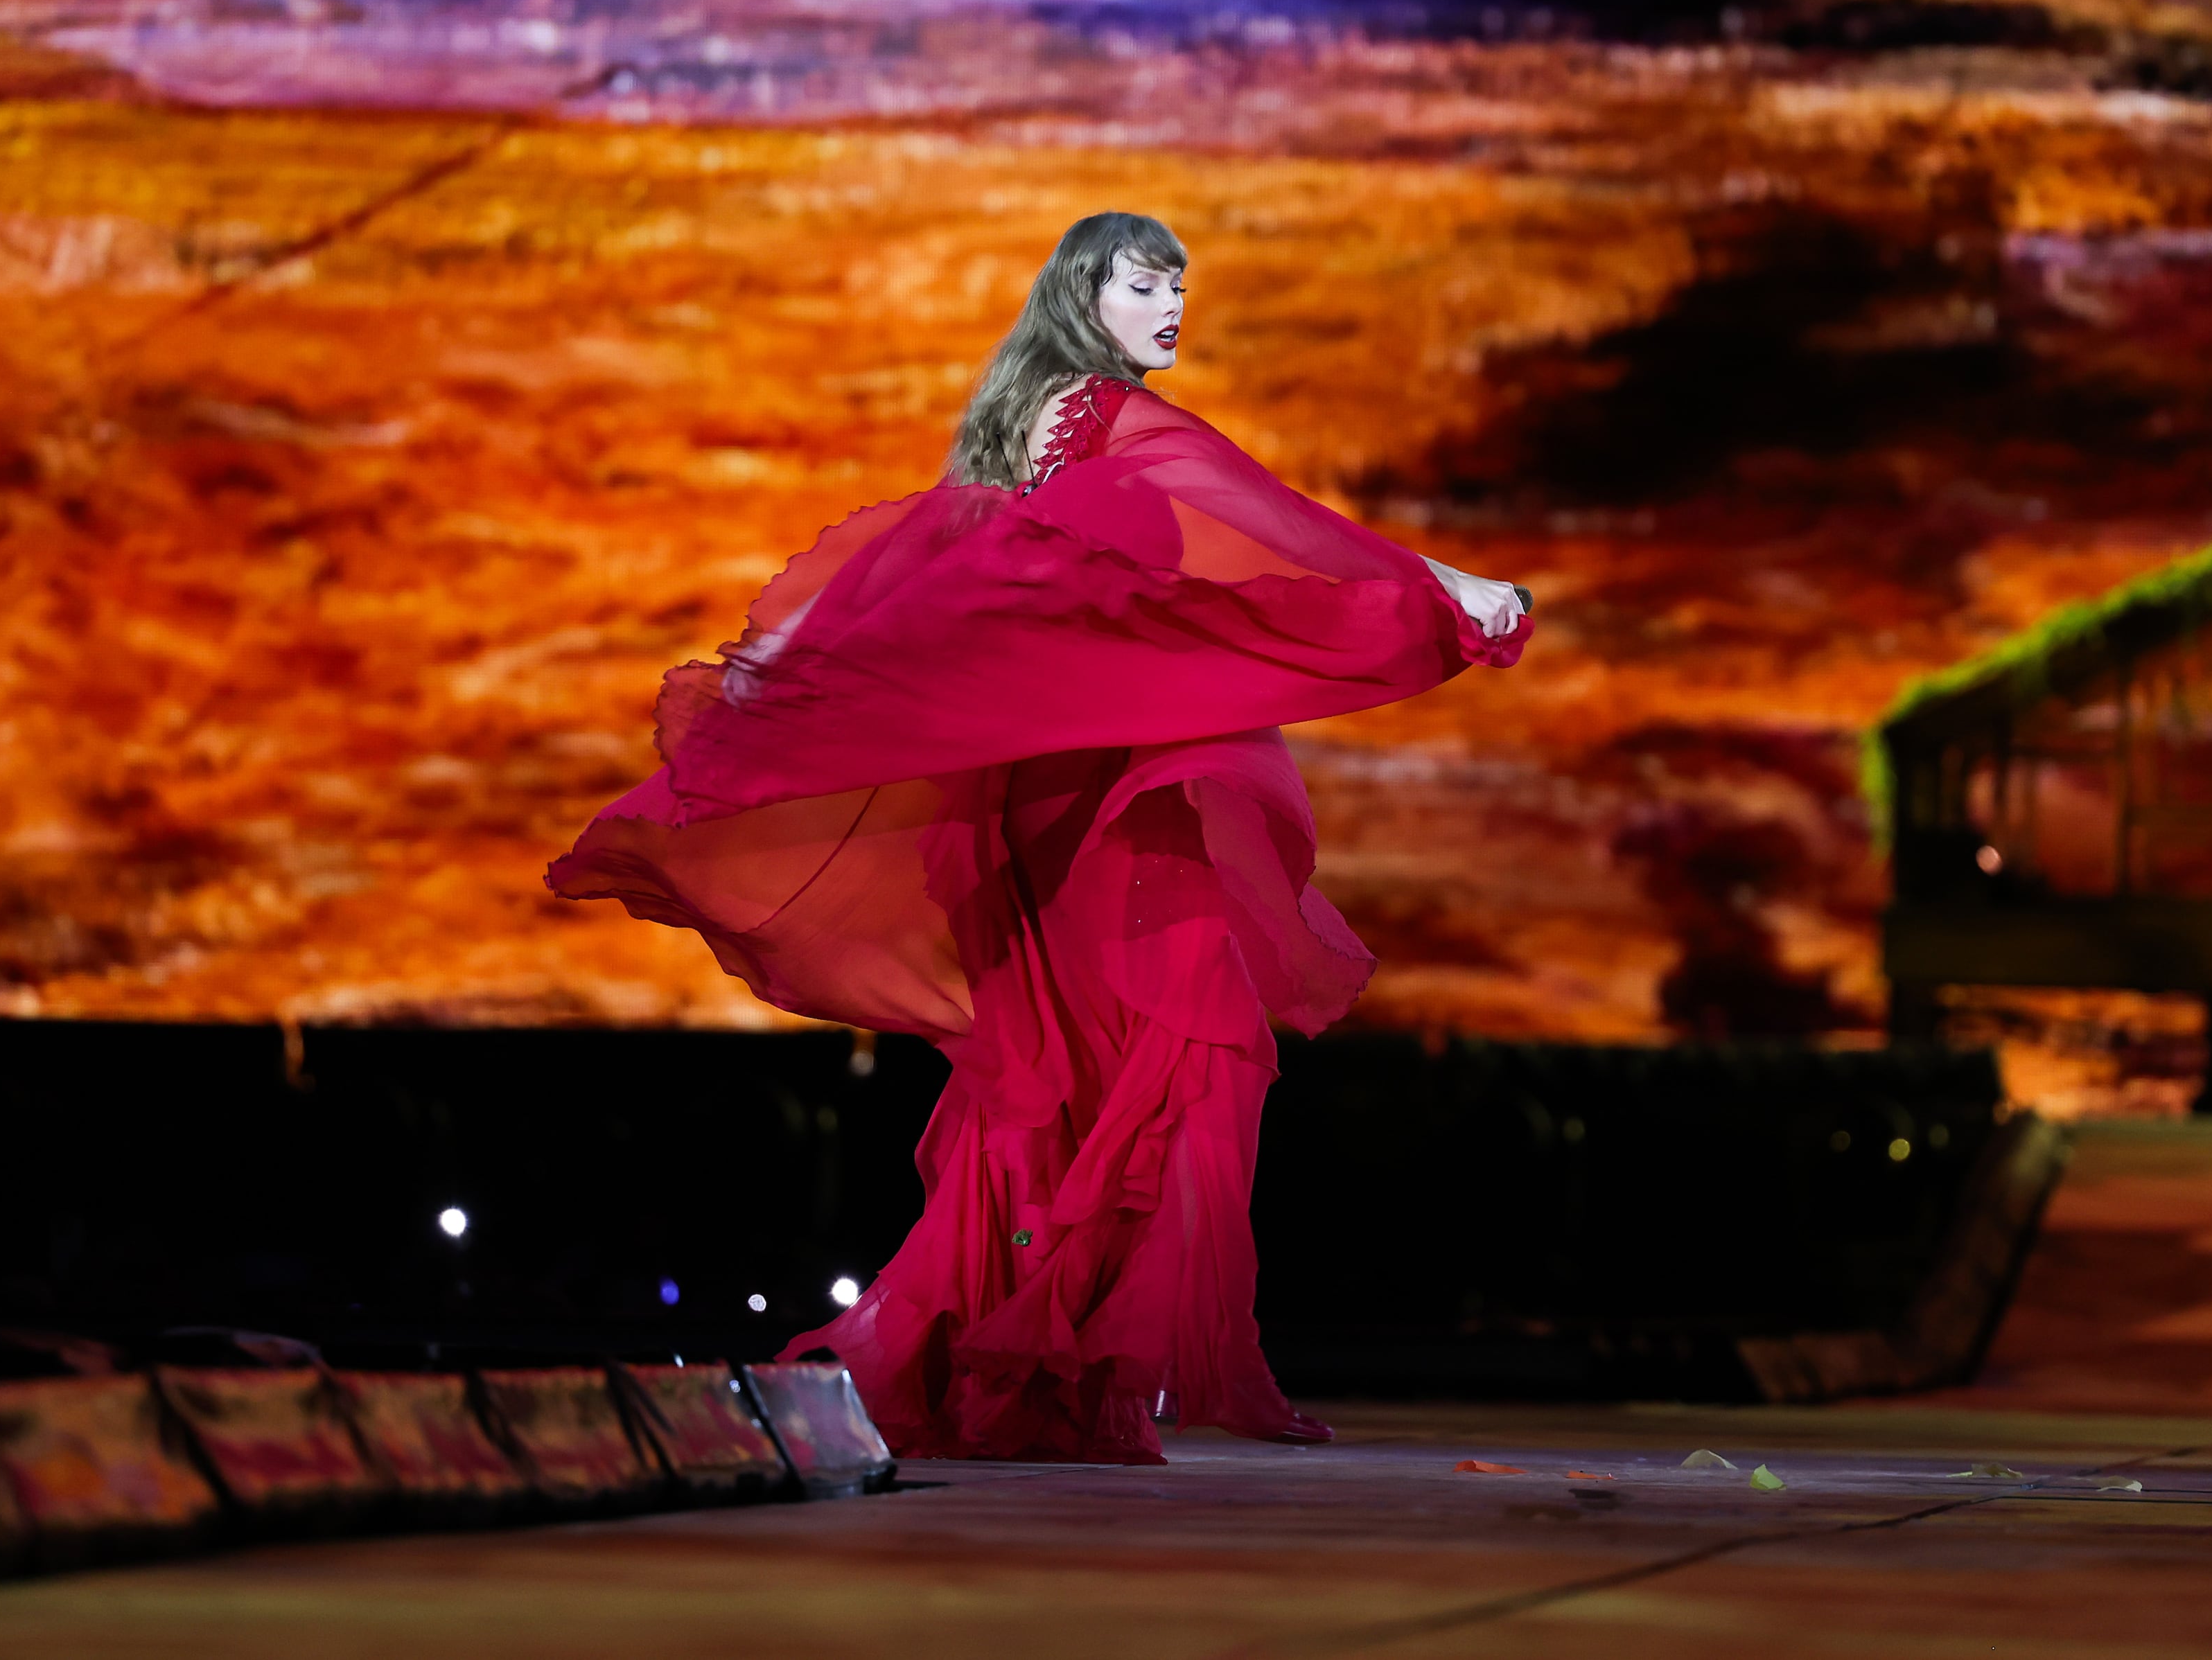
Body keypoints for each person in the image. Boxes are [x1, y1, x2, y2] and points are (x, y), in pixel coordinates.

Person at [549, 211, 1531, 1463]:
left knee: (1064, 1070)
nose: (1172, 306)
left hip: (1049, 797)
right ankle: (1049, 1365)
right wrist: (1444, 587)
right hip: (1113, 797)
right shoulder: (1120, 424)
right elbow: (1280, 526)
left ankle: (1029, 1365)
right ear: (1085, 290)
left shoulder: (1023, 428)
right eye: (1144, 284)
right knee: (1169, 1043)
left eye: (1181, 285)